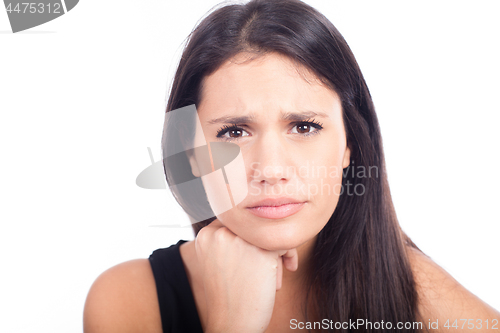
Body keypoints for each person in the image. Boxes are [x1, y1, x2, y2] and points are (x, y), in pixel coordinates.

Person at [83, 0, 500, 332]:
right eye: (233, 132)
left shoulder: (418, 292)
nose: (271, 169)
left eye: (303, 126)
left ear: (350, 145)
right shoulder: (128, 301)